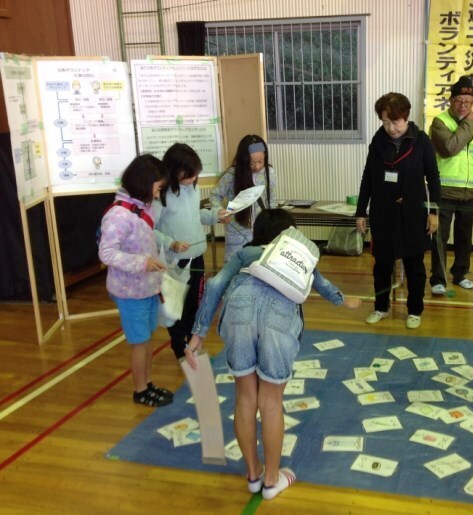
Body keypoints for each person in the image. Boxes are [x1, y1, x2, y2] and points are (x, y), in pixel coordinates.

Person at [185, 209, 360, 500]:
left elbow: (215, 285)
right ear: (290, 235)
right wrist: (343, 300)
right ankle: (271, 480)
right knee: (270, 403)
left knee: (245, 399)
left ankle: (253, 474)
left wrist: (197, 336)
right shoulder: (299, 255)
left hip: (239, 311)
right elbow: (321, 284)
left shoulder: (246, 253)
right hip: (278, 319)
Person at [355, 92, 441, 330]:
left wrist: (433, 212)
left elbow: (433, 178)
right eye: (385, 122)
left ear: (406, 117)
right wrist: (361, 211)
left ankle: (415, 310)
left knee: (414, 266)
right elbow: (368, 177)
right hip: (383, 213)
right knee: (382, 265)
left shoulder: (422, 141)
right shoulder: (378, 141)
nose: (390, 127)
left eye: (395, 122)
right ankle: (381, 307)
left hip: (414, 213)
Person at [98, 154, 173, 407]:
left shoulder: (142, 207)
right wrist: (142, 263)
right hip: (130, 291)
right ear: (145, 181)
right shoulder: (119, 215)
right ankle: (140, 390)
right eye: (158, 186)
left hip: (147, 287)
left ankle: (148, 383)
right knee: (139, 343)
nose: (158, 191)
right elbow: (107, 253)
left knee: (146, 340)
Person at [153, 143, 229, 359]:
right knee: (175, 307)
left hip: (196, 257)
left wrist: (216, 215)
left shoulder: (193, 189)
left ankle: (190, 345)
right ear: (174, 170)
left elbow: (195, 216)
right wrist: (171, 243)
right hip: (176, 262)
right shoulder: (162, 195)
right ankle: (179, 348)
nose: (193, 178)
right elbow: (150, 230)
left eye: (195, 174)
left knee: (195, 306)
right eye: (189, 174)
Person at [428, 75, 473, 293]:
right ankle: (438, 280)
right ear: (450, 100)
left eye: (468, 102)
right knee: (439, 238)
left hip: (470, 193)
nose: (463, 105)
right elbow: (450, 148)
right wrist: (469, 122)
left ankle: (460, 274)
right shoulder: (440, 122)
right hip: (444, 191)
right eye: (459, 101)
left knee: (464, 238)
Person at [210, 134, 278, 261]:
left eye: (260, 162)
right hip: (237, 231)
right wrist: (219, 211)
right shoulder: (232, 174)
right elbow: (215, 195)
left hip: (261, 231)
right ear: (243, 160)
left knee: (258, 268)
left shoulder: (269, 173)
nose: (257, 167)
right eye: (251, 163)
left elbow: (272, 201)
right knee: (234, 268)